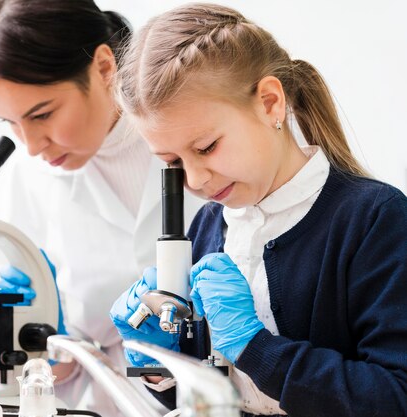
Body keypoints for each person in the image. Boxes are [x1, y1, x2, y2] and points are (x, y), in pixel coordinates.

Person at [110, 3, 407, 417]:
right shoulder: (209, 226)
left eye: (206, 148)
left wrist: (256, 348)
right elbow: (213, 397)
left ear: (270, 103)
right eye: (173, 162)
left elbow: (395, 397)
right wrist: (160, 365)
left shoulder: (375, 219)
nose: (194, 181)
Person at [0, 1, 205, 415]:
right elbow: (48, 377)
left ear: (102, 67)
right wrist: (38, 342)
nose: (30, 145)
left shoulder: (201, 137)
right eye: (8, 122)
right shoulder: (24, 179)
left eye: (42, 114)